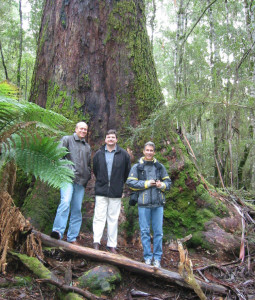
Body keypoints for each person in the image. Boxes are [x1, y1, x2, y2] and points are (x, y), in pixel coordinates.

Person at [126, 141, 171, 267]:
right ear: (144, 151)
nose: (149, 152)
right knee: (144, 231)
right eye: (147, 150)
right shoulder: (137, 167)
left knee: (158, 232)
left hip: (158, 204)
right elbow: (130, 182)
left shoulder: (160, 167)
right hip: (143, 204)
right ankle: (147, 257)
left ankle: (157, 258)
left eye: (151, 150)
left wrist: (161, 185)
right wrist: (146, 184)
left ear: (154, 152)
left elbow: (168, 184)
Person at [51, 122, 91, 245]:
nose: (83, 131)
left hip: (81, 181)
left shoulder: (87, 147)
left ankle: (72, 237)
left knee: (77, 209)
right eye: (81, 128)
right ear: (76, 129)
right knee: (65, 202)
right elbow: (58, 156)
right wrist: (70, 170)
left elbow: (88, 164)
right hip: (67, 178)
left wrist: (87, 175)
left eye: (85, 129)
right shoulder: (67, 139)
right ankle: (57, 231)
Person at [92, 129, 131, 253]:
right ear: (105, 140)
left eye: (113, 137)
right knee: (99, 216)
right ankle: (96, 241)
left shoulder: (124, 155)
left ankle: (111, 244)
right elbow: (96, 170)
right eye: (108, 137)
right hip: (101, 189)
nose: (110, 139)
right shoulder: (99, 154)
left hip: (115, 191)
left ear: (116, 140)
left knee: (113, 218)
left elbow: (126, 173)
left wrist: (118, 183)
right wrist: (103, 182)